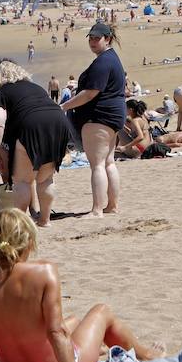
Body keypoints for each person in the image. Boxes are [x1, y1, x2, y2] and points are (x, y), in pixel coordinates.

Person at [0, 209, 162, 362]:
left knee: (74, 321)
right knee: (101, 311)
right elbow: (55, 333)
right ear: (29, 242)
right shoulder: (44, 272)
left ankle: (97, 349)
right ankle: (146, 354)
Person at [0, 61, 71, 227]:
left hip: (31, 125)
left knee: (23, 181)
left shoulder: (3, 92)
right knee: (45, 179)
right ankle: (45, 220)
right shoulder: (36, 87)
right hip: (58, 121)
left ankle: (21, 224)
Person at [60, 21, 126, 217]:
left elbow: (90, 93)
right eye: (90, 38)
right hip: (113, 115)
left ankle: (97, 209)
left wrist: (63, 106)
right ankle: (111, 206)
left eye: (97, 38)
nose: (93, 42)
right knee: (108, 162)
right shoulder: (111, 58)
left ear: (108, 39)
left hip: (99, 116)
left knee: (97, 164)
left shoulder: (103, 61)